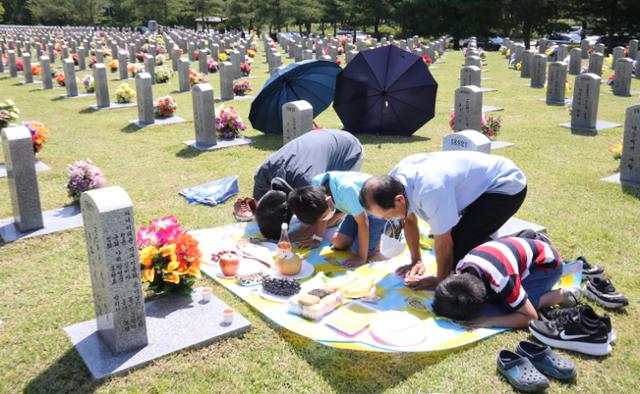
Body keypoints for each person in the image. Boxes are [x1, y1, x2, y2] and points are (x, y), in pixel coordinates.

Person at [359, 151, 527, 289]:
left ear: (399, 200)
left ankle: (523, 249)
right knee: (461, 241)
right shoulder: (395, 181)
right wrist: (416, 260)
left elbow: (445, 244)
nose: (389, 220)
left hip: (505, 185)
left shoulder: (430, 191)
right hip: (478, 185)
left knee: (460, 249)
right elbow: (409, 220)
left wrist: (440, 281)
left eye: (388, 215)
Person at [432, 236, 578, 328]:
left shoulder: (502, 280)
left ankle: (560, 295)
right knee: (503, 303)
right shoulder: (461, 267)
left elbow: (531, 317)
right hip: (523, 256)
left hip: (547, 266)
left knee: (508, 309)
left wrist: (490, 321)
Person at [249, 129, 364, 239]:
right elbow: (259, 204)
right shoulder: (263, 173)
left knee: (334, 210)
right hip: (324, 138)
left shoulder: (309, 182)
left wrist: (308, 232)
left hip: (349, 150)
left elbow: (324, 209)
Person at [287, 171, 386, 267]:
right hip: (354, 210)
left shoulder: (347, 190)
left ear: (329, 201)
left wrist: (361, 257)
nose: (323, 220)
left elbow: (363, 223)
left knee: (360, 250)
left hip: (377, 211)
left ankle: (384, 232)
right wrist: (317, 239)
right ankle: (362, 237)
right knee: (338, 243)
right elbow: (323, 216)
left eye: (323, 217)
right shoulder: (317, 185)